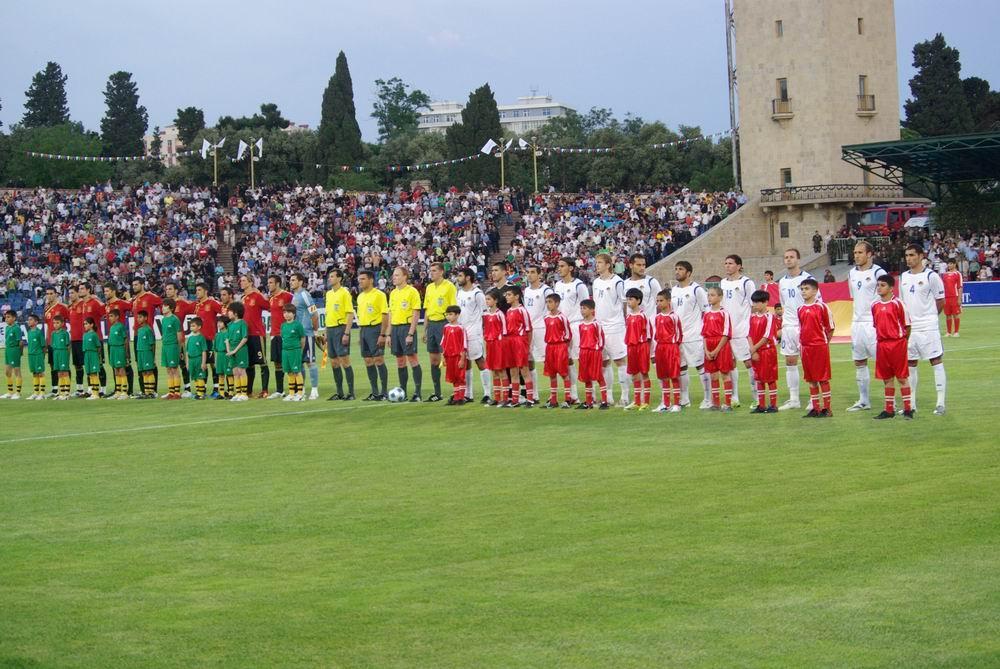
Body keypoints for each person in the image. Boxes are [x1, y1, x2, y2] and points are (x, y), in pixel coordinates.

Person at [899, 244, 947, 415]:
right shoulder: (903, 277)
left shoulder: (931, 276)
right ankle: (911, 404)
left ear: (921, 256)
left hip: (928, 326)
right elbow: (902, 303)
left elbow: (941, 300)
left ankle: (940, 403)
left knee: (936, 360)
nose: (909, 258)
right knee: (911, 363)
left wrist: (930, 317)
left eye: (912, 255)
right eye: (907, 255)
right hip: (910, 328)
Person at [846, 241, 887, 412]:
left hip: (874, 324)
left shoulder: (879, 272)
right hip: (857, 324)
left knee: (883, 363)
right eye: (855, 252)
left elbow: (886, 298)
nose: (856, 256)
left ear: (869, 254)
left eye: (860, 252)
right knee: (859, 361)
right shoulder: (851, 273)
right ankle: (864, 401)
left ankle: (890, 401)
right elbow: (854, 297)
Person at [778, 249, 816, 410]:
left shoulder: (808, 279)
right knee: (790, 361)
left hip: (804, 326)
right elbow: (784, 304)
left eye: (791, 257)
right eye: (786, 257)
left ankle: (814, 399)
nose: (788, 260)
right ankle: (794, 399)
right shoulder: (782, 282)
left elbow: (816, 303)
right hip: (788, 326)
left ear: (798, 260)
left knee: (809, 362)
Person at [872, 275, 914, 420]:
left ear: (891, 288)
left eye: (882, 285)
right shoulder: (875, 305)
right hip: (882, 344)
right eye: (878, 285)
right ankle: (889, 410)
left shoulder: (898, 304)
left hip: (897, 344)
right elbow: (876, 325)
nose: (879, 288)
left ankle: (908, 409)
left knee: (902, 377)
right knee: (887, 378)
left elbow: (907, 326)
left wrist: (903, 341)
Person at [671, 261, 711, 409]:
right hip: (678, 337)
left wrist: (704, 332)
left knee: (700, 366)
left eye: (680, 269)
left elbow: (706, 312)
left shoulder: (697, 290)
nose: (677, 271)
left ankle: (708, 398)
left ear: (688, 273)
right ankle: (684, 399)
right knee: (681, 368)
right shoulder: (673, 290)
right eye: (676, 269)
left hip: (694, 335)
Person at [720, 254, 757, 406]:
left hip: (742, 330)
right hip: (727, 331)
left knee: (749, 363)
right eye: (726, 263)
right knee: (731, 364)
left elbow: (754, 306)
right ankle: (734, 397)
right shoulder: (723, 282)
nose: (727, 266)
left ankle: (756, 397)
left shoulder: (747, 282)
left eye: (730, 263)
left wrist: (751, 327)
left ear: (739, 266)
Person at [592, 253, 629, 406]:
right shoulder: (595, 282)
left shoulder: (617, 281)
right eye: (596, 262)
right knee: (603, 362)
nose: (597, 265)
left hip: (615, 326)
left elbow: (624, 302)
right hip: (600, 327)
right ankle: (608, 396)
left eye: (600, 262)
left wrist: (623, 320)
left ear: (608, 265)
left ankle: (625, 396)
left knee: (620, 361)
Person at [553, 257, 589, 403]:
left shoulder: (579, 285)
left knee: (582, 359)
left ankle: (590, 394)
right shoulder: (557, 285)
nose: (559, 268)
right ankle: (573, 395)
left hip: (576, 324)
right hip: (562, 326)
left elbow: (587, 305)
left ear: (571, 268)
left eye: (562, 266)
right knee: (567, 360)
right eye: (559, 266)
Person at [798, 279, 835, 418]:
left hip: (819, 347)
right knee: (811, 379)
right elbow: (802, 328)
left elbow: (830, 327)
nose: (803, 291)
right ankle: (815, 408)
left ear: (815, 291)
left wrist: (824, 343)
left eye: (806, 288)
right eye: (802, 289)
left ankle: (827, 409)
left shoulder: (822, 307)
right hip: (806, 348)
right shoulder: (800, 309)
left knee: (823, 378)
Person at [421, 263, 457, 402]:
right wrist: (424, 330)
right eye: (430, 270)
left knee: (450, 358)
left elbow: (454, 308)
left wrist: (452, 327)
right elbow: (427, 310)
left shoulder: (449, 286)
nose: (431, 273)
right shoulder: (429, 287)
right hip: (432, 325)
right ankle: (437, 392)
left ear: (441, 272)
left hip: (444, 324)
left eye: (434, 270)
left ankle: (457, 391)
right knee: (434, 360)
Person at [388, 267, 423, 402]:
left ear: (405, 277)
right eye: (393, 275)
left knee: (412, 359)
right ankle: (403, 392)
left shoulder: (412, 291)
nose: (394, 277)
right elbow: (391, 314)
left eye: (397, 275)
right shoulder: (392, 293)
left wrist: (410, 333)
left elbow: (416, 314)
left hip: (406, 328)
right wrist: (389, 334)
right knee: (400, 361)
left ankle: (417, 393)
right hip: (395, 329)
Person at [456, 268, 490, 402]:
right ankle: (468, 394)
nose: (458, 278)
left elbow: (485, 313)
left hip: (474, 331)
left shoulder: (477, 293)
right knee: (465, 362)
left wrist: (485, 330)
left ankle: (487, 394)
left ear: (468, 277)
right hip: (462, 331)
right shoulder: (459, 293)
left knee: (479, 360)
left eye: (460, 276)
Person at [355, 269, 390, 401]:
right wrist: (361, 335)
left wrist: (382, 334)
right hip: (364, 330)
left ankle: (384, 392)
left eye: (363, 279)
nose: (360, 281)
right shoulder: (360, 296)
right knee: (368, 361)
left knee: (379, 359)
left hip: (375, 329)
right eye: (359, 279)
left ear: (370, 280)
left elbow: (385, 315)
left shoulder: (379, 295)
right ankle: (375, 392)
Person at [323, 269, 356, 401]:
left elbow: (350, 313)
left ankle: (351, 393)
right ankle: (340, 392)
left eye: (332, 276)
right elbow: (328, 314)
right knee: (334, 362)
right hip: (330, 329)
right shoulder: (329, 294)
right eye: (329, 276)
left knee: (345, 360)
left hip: (340, 328)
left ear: (339, 278)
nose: (329, 278)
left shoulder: (345, 293)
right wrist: (326, 332)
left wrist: (346, 332)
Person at [523, 265, 554, 402]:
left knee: (547, 361)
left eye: (532, 272)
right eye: (528, 272)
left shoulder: (546, 290)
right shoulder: (526, 290)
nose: (529, 275)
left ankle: (553, 393)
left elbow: (551, 308)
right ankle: (534, 395)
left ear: (539, 275)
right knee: (529, 361)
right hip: (529, 330)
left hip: (542, 328)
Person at [702, 286, 734, 411]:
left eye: (712, 295)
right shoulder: (706, 314)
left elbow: (726, 333)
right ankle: (715, 403)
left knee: (725, 374)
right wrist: (706, 350)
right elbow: (704, 334)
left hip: (721, 345)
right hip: (709, 346)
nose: (709, 297)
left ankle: (728, 404)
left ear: (720, 297)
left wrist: (716, 349)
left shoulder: (724, 313)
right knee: (713, 376)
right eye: (708, 295)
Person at [289, 272, 320, 400]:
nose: (291, 282)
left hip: (307, 333)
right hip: (297, 335)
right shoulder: (294, 296)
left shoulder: (305, 295)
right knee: (299, 362)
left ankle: (314, 390)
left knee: (310, 362)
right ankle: (301, 390)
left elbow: (315, 314)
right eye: (290, 280)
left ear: (301, 282)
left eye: (293, 280)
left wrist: (315, 331)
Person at [238, 274, 271, 398]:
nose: (241, 282)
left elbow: (269, 306)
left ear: (251, 282)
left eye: (244, 280)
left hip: (257, 334)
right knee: (249, 364)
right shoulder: (242, 298)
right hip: (245, 335)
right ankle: (248, 391)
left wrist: (261, 294)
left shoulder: (257, 296)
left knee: (262, 362)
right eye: (241, 281)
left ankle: (265, 390)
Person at [502, 285, 534, 407]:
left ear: (517, 296)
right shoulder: (509, 311)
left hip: (520, 341)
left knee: (524, 370)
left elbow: (529, 329)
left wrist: (527, 347)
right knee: (513, 371)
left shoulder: (522, 310)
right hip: (510, 341)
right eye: (506, 295)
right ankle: (515, 400)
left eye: (509, 295)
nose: (507, 297)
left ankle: (530, 399)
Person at [748, 290, 779, 413]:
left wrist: (754, 349)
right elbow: (749, 334)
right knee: (759, 378)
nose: (755, 305)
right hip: (756, 351)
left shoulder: (770, 316)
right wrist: (753, 350)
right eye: (754, 302)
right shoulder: (752, 317)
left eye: (757, 302)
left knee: (770, 378)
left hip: (767, 351)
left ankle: (773, 405)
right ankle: (761, 405)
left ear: (766, 302)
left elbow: (767, 336)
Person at [622, 288, 653, 410]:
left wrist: (647, 349)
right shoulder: (628, 316)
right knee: (634, 374)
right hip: (631, 347)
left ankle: (646, 401)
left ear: (638, 300)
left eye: (631, 299)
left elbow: (649, 334)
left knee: (644, 373)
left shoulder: (643, 316)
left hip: (642, 346)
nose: (628, 302)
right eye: (627, 299)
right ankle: (637, 401)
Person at [653, 289, 683, 414]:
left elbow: (679, 334)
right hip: (660, 348)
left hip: (671, 348)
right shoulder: (657, 317)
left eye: (661, 300)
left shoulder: (674, 317)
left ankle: (677, 404)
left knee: (674, 376)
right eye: (657, 301)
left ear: (669, 301)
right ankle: (665, 403)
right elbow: (656, 334)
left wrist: (673, 347)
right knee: (663, 376)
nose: (659, 303)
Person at [73, 283, 106, 396]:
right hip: (86, 339)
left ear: (88, 290)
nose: (80, 291)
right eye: (79, 289)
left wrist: (98, 300)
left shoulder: (94, 302)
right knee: (88, 364)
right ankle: (91, 389)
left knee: (99, 364)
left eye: (82, 289)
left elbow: (105, 312)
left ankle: (103, 389)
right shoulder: (83, 304)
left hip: (96, 338)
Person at [164, 281, 196, 396]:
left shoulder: (181, 303)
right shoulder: (165, 304)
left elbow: (195, 306)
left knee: (182, 363)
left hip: (179, 339)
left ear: (176, 291)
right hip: (168, 341)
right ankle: (172, 390)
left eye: (170, 289)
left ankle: (187, 389)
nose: (168, 291)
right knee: (170, 366)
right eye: (166, 289)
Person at [576, 299, 609, 410]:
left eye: (584, 308)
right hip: (583, 353)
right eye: (581, 308)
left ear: (592, 310)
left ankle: (604, 401)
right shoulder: (581, 324)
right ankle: (589, 402)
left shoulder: (596, 324)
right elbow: (582, 339)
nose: (582, 310)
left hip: (594, 352)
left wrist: (597, 351)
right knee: (586, 377)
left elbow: (601, 340)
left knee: (598, 376)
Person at [131, 279, 162, 396]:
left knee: (151, 362)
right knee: (139, 362)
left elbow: (163, 304)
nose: (134, 287)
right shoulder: (135, 300)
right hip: (137, 335)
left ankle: (153, 390)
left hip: (147, 334)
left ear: (142, 285)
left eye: (136, 284)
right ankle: (144, 390)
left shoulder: (150, 296)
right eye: (133, 285)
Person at [541, 294, 572, 409]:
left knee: (564, 373)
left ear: (557, 303)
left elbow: (568, 335)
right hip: (549, 347)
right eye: (547, 302)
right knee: (552, 374)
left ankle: (568, 399)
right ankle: (553, 400)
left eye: (550, 302)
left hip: (560, 347)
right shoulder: (546, 317)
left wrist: (564, 348)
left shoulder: (562, 317)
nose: (548, 304)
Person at [103, 284, 135, 395]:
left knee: (126, 364)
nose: (105, 293)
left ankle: (129, 390)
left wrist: (129, 298)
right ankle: (118, 389)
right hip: (111, 339)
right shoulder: (107, 305)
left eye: (107, 291)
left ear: (113, 291)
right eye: (104, 291)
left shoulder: (121, 303)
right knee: (114, 365)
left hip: (121, 340)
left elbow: (132, 307)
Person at [266, 275, 294, 399]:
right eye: (268, 283)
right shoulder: (271, 298)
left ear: (277, 283)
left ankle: (296, 389)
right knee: (277, 363)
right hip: (274, 334)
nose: (268, 285)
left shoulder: (287, 296)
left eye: (271, 282)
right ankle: (280, 390)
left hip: (285, 334)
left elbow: (295, 311)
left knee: (288, 362)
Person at [43, 287, 71, 396]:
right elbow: (48, 326)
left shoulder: (63, 307)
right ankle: (55, 389)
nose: (49, 295)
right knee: (53, 365)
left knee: (64, 366)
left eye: (51, 293)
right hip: (52, 341)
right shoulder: (46, 308)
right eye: (47, 293)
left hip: (61, 342)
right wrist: (47, 341)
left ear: (56, 294)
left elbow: (71, 320)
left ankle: (66, 390)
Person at [482, 289, 507, 406]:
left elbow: (504, 331)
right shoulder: (485, 314)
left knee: (501, 370)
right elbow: (485, 329)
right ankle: (497, 398)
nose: (487, 301)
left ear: (495, 300)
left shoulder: (499, 314)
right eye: (486, 299)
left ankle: (505, 398)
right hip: (490, 344)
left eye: (489, 299)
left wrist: (502, 345)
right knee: (494, 371)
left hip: (499, 344)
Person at [440, 305, 468, 405]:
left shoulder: (461, 328)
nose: (448, 316)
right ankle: (456, 397)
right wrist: (443, 357)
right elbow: (443, 343)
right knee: (453, 377)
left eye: (451, 314)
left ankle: (461, 398)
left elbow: (464, 345)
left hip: (458, 356)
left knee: (460, 377)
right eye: (447, 314)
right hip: (449, 357)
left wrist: (462, 359)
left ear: (457, 315)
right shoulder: (446, 327)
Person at [280, 303, 306, 402]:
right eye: (285, 312)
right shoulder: (283, 325)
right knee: (289, 372)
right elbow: (283, 337)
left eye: (289, 312)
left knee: (297, 372)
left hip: (295, 351)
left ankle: (300, 394)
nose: (286, 314)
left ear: (294, 314)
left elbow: (302, 338)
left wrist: (300, 350)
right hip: (285, 351)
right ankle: (291, 394)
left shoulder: (298, 325)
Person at [160, 299, 184, 400]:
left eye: (165, 306)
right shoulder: (163, 319)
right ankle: (171, 392)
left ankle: (177, 393)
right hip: (165, 346)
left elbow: (179, 336)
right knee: (168, 369)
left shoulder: (175, 319)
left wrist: (180, 350)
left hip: (173, 346)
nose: (162, 308)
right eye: (162, 306)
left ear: (171, 308)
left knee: (174, 369)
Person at [226, 302, 250, 402]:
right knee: (235, 372)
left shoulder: (242, 323)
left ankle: (244, 394)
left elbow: (245, 338)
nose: (228, 313)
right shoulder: (229, 325)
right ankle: (238, 393)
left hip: (241, 350)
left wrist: (235, 350)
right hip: (231, 351)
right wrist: (229, 350)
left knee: (241, 371)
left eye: (230, 311)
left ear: (236, 313)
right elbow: (227, 339)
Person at [106, 309, 130, 400]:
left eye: (111, 316)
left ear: (117, 317)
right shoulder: (111, 327)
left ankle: (124, 392)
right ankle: (118, 391)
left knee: (121, 370)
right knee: (116, 370)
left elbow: (126, 339)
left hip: (119, 349)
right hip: (113, 350)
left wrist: (126, 353)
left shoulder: (121, 326)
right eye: (109, 316)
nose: (109, 318)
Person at [134, 311, 157, 399]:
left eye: (140, 317)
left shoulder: (148, 329)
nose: (138, 319)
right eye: (137, 317)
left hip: (147, 353)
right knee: (143, 372)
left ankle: (152, 392)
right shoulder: (139, 330)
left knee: (149, 371)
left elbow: (152, 344)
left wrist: (153, 357)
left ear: (146, 318)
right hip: (140, 352)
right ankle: (146, 392)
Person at [185, 317, 209, 400]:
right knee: (195, 377)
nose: (191, 327)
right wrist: (187, 363)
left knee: (200, 376)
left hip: (198, 359)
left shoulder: (201, 338)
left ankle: (201, 394)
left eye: (193, 326)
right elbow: (187, 352)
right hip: (191, 360)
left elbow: (204, 351)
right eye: (191, 326)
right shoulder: (190, 338)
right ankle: (198, 392)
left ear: (199, 327)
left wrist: (203, 362)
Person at [3, 310, 23, 399]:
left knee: (17, 371)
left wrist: (19, 352)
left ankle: (18, 393)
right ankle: (10, 392)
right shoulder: (7, 328)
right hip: (7, 350)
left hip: (14, 350)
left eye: (8, 317)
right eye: (6, 317)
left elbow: (20, 342)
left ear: (14, 318)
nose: (6, 319)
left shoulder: (16, 328)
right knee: (7, 372)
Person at [50, 315, 71, 400]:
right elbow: (52, 345)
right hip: (56, 353)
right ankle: (61, 392)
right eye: (54, 323)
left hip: (63, 353)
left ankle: (67, 393)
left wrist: (67, 356)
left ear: (62, 323)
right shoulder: (53, 334)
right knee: (59, 373)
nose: (55, 324)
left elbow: (68, 346)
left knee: (64, 372)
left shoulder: (65, 333)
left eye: (57, 323)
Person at [25, 314, 46, 400]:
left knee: (40, 373)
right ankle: (36, 393)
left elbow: (43, 346)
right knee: (34, 373)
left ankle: (42, 393)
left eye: (31, 320)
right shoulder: (29, 332)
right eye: (28, 320)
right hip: (31, 355)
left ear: (36, 322)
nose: (29, 321)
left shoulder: (39, 332)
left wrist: (42, 356)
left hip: (38, 355)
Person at [81, 317, 102, 400]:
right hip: (87, 355)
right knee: (89, 374)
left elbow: (98, 347)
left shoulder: (94, 335)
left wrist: (97, 357)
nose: (85, 325)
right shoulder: (85, 335)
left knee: (94, 373)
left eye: (86, 324)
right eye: (84, 324)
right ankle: (93, 393)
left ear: (92, 325)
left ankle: (96, 393)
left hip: (93, 354)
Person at [942, 258, 964, 337]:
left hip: (954, 296)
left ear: (954, 264)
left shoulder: (958, 274)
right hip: (946, 297)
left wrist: (959, 298)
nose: (949, 265)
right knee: (948, 315)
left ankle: (956, 332)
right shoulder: (944, 275)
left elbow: (960, 287)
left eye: (951, 263)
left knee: (956, 314)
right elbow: (942, 287)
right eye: (948, 263)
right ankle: (948, 332)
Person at [213, 316, 233, 400]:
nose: (218, 324)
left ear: (225, 323)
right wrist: (215, 360)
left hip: (227, 355)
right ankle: (221, 393)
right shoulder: (217, 335)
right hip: (219, 356)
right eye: (218, 322)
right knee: (220, 374)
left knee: (229, 374)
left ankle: (231, 392)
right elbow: (215, 349)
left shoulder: (229, 333)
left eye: (220, 322)